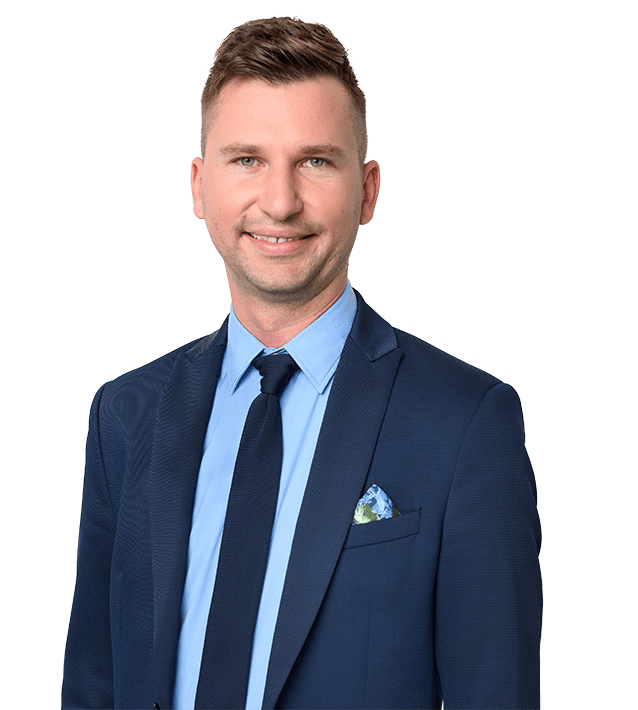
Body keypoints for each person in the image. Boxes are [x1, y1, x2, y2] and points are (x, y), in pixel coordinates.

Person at [61, 16, 542, 710]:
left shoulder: (466, 424)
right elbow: (94, 683)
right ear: (198, 186)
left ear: (367, 190)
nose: (280, 202)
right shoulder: (125, 414)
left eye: (315, 161)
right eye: (246, 160)